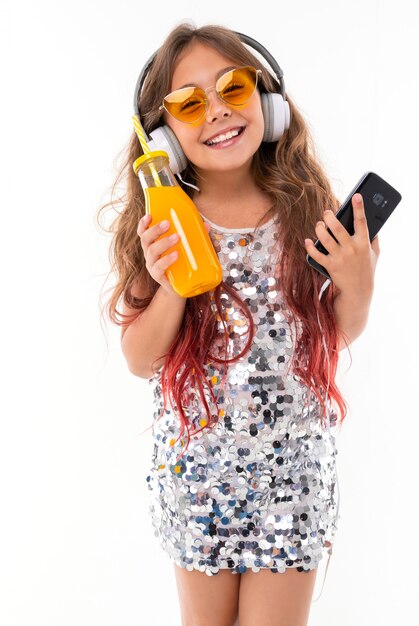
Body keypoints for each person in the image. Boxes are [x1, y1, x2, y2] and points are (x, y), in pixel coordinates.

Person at [98, 22, 380, 626]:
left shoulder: (305, 205)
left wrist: (358, 289)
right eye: (190, 102)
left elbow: (335, 333)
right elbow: (140, 359)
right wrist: (173, 282)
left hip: (292, 480)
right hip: (199, 483)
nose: (218, 113)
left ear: (269, 103)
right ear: (163, 136)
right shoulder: (164, 222)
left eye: (233, 87)